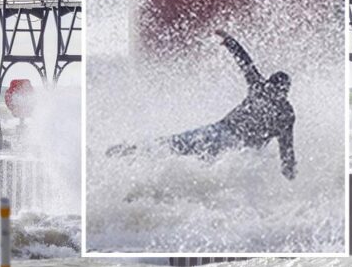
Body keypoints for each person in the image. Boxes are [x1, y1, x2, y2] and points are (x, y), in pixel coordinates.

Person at [107, 31, 296, 180]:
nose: (272, 92)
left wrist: (230, 42)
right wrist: (288, 168)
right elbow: (246, 64)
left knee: (178, 149)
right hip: (229, 141)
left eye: (275, 90)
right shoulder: (277, 105)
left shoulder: (266, 95)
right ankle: (132, 152)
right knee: (179, 149)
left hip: (227, 139)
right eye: (272, 88)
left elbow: (246, 64)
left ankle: (132, 153)